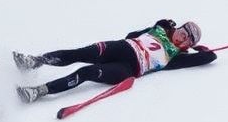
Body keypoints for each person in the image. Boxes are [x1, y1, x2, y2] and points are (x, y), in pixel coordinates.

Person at [14, 19, 216, 103]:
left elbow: (209, 57)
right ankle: (33, 61)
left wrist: (198, 48)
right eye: (181, 32)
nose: (181, 37)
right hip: (121, 46)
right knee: (78, 53)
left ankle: (38, 91)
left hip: (129, 67)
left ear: (187, 45)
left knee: (87, 72)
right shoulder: (161, 29)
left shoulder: (176, 57)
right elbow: (131, 34)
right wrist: (157, 26)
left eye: (186, 39)